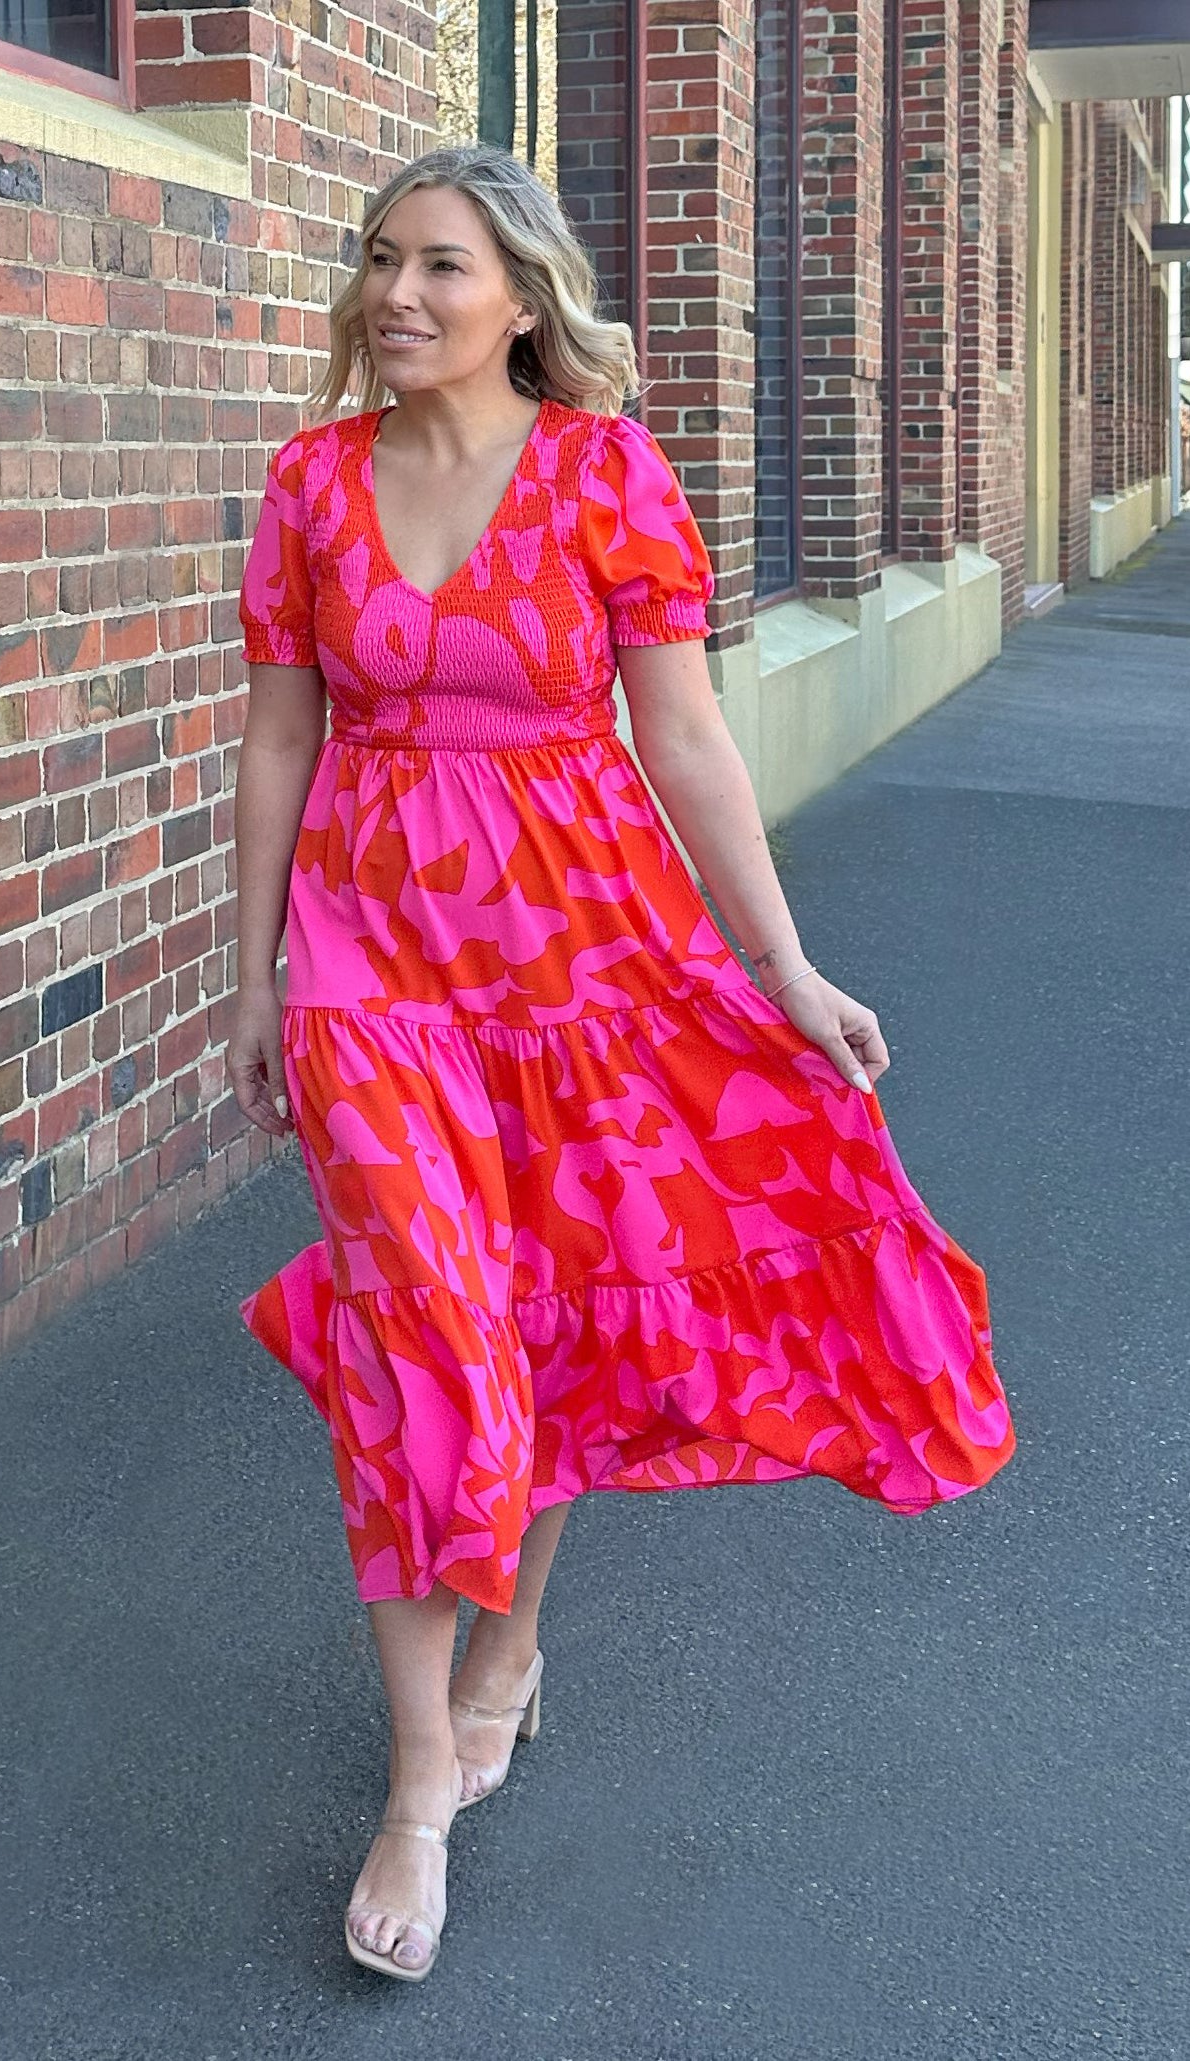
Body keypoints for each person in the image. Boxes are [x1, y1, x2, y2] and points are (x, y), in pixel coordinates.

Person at [228, 143, 1017, 1983]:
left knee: (542, 1311)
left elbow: (685, 737)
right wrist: (249, 975)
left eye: (440, 264)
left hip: (581, 964)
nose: (396, 294)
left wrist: (784, 966)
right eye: (380, 259)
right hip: (370, 967)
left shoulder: (606, 473)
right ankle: (419, 1782)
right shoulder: (310, 485)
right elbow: (277, 740)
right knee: (422, 1329)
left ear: (523, 295)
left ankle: (509, 1651)